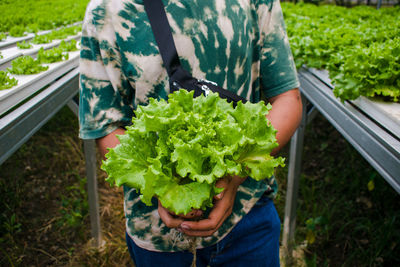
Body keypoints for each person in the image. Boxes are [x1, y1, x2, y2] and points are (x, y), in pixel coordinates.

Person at [79, 0, 302, 266]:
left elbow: (287, 98)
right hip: (156, 232)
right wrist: (167, 188)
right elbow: (107, 126)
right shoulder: (106, 9)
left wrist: (234, 178)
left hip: (247, 219)